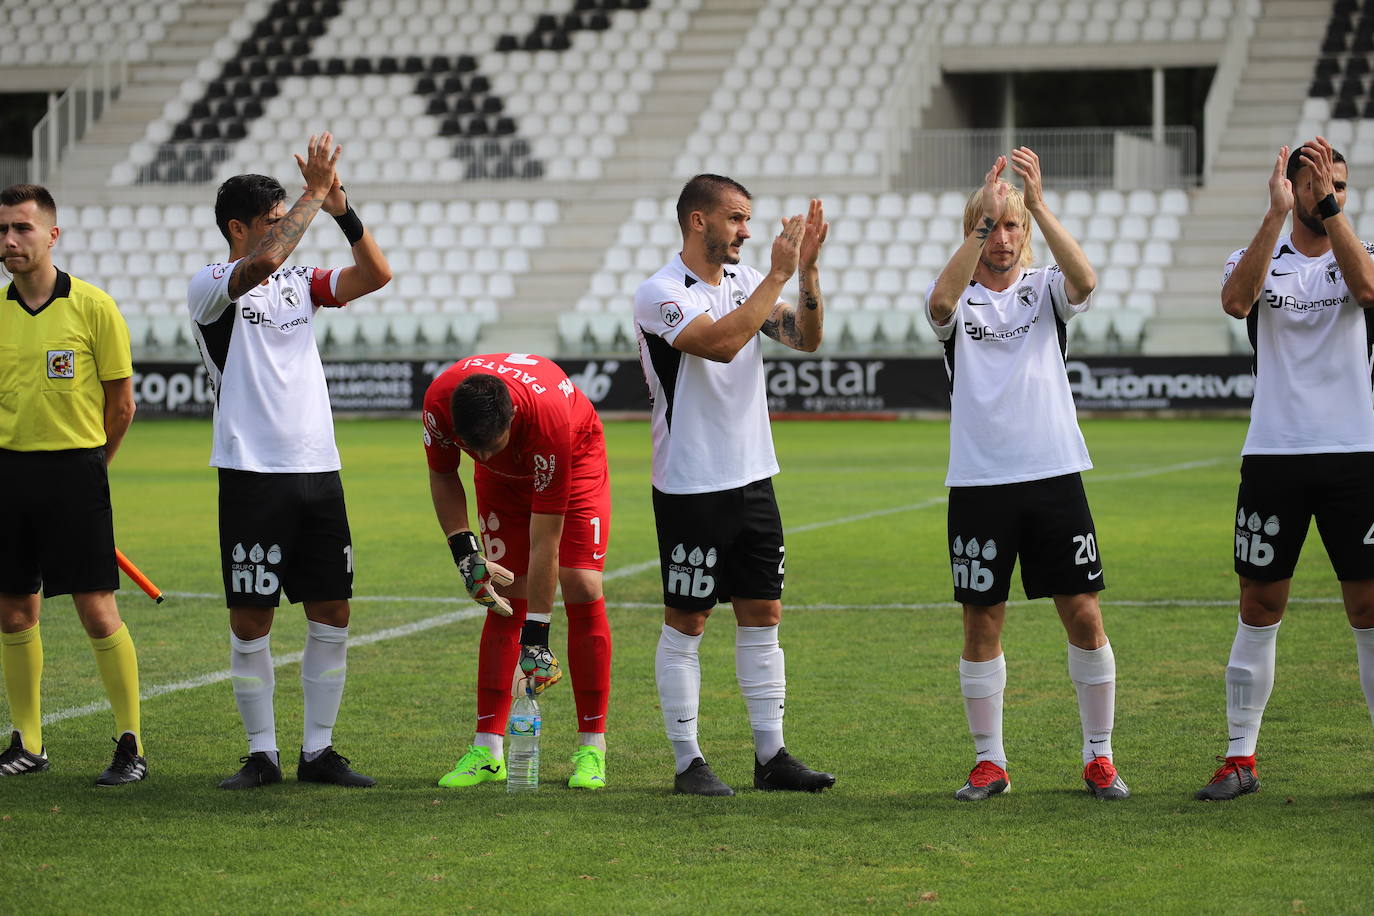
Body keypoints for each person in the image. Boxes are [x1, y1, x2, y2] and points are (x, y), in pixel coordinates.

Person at [187, 133, 392, 789]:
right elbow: (263, 263)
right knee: (253, 618)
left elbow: (375, 276)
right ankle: (261, 753)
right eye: (273, 222)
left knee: (332, 610)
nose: (287, 232)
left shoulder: (301, 282)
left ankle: (318, 752)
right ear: (236, 228)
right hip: (251, 473)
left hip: (317, 470)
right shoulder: (214, 285)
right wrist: (310, 192)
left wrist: (341, 208)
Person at [925, 149, 1128, 802]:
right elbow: (938, 304)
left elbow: (1087, 280)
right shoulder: (961, 301)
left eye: (1013, 228)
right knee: (981, 621)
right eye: (992, 227)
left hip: (1054, 477)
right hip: (980, 484)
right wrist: (981, 220)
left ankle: (1099, 757)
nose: (1003, 240)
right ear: (974, 233)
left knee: (1084, 616)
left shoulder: (1045, 291)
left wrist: (1035, 202)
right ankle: (990, 762)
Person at [633, 174, 835, 796]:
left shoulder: (747, 282)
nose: (747, 231)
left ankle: (771, 757)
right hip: (692, 483)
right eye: (737, 219)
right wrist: (777, 274)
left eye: (749, 220)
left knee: (763, 613)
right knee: (688, 622)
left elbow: (805, 339)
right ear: (699, 221)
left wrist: (806, 274)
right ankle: (688, 761)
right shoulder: (660, 293)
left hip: (753, 477)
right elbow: (718, 346)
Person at [1197, 137, 1374, 800]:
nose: (1326, 191)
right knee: (1259, 603)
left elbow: (1367, 289)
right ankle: (1239, 757)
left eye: (1339, 184)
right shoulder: (1258, 257)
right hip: (1274, 454)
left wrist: (1330, 209)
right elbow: (1236, 303)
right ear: (1290, 187)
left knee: (1369, 606)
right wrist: (1275, 214)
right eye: (1313, 182)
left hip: (1357, 455)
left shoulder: (1362, 254)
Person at [0, 183, 146, 785]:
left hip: (77, 471)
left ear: (52, 234)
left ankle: (130, 744)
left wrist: (94, 467)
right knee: (13, 611)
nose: (9, 241)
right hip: (8, 474)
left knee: (96, 609)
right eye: (3, 230)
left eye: (22, 229)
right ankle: (26, 741)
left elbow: (123, 405)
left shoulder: (93, 306)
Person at [422, 353, 614, 790]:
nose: (484, 454)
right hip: (501, 481)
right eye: (476, 448)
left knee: (581, 583)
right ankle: (487, 750)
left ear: (511, 415)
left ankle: (592, 748)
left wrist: (538, 637)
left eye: (493, 443)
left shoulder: (547, 422)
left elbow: (545, 540)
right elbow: (443, 474)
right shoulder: (439, 404)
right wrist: (464, 553)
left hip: (573, 456)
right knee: (506, 591)